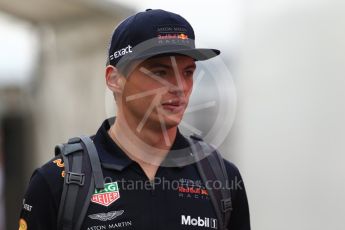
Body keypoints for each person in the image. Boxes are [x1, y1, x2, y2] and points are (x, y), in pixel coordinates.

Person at [19, 9, 250, 230]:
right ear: (114, 79)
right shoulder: (58, 181)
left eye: (188, 72)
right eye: (160, 72)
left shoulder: (221, 178)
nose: (179, 87)